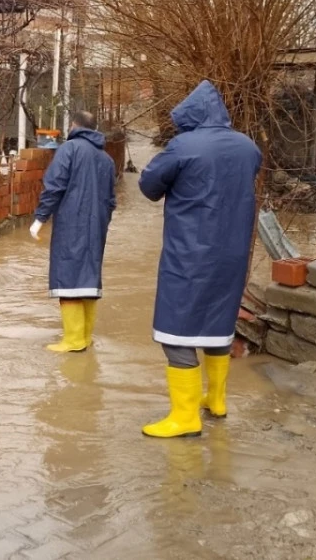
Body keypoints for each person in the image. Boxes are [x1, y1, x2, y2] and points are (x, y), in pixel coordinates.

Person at [137, 80, 260, 439]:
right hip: (233, 253)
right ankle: (216, 400)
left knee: (175, 331)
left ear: (189, 116)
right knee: (218, 323)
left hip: (191, 253)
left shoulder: (183, 145)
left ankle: (185, 416)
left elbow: (148, 187)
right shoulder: (248, 147)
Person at [29, 111, 117, 352]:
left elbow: (54, 186)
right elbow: (111, 201)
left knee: (67, 280)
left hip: (71, 225)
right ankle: (85, 338)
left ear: (74, 125)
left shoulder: (69, 149)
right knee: (88, 280)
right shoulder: (106, 159)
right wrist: (100, 224)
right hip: (96, 229)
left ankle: (73, 340)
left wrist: (40, 218)